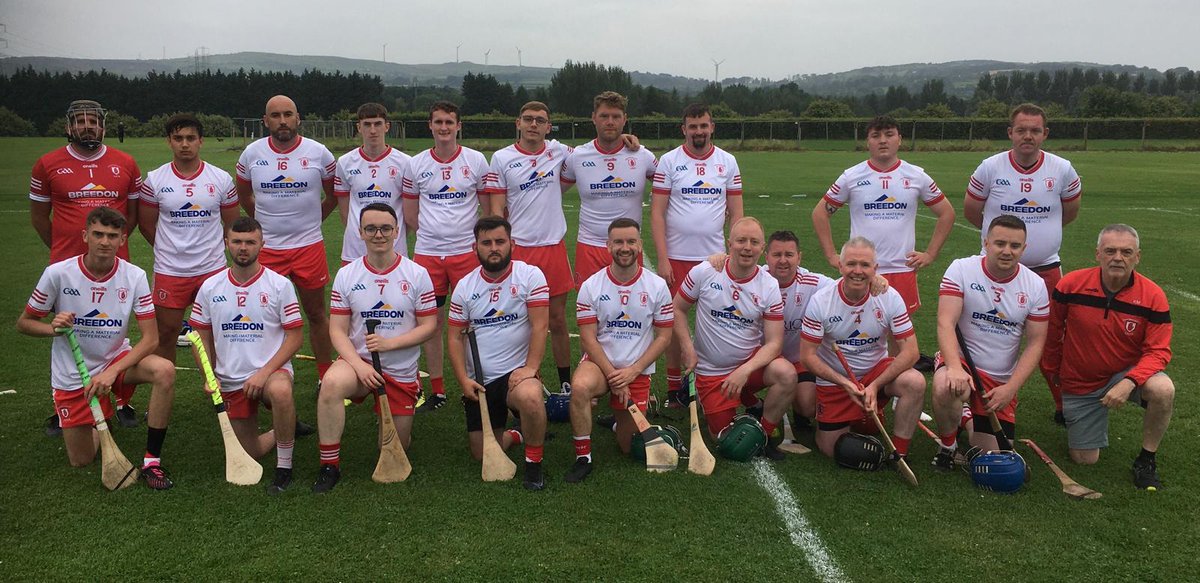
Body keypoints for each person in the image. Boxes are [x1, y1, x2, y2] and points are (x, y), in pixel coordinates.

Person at [18, 207, 177, 489]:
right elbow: (25, 323)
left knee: (164, 370)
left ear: (122, 239)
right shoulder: (58, 274)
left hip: (117, 361)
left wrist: (111, 372)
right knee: (81, 459)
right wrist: (52, 328)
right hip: (73, 373)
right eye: (98, 234)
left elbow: (151, 339)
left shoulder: (134, 276)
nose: (105, 241)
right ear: (85, 236)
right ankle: (97, 418)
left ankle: (152, 461)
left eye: (112, 236)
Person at [964, 103, 1082, 423]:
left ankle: (1063, 405)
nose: (1027, 136)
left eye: (1034, 130)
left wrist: (1043, 238)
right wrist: (1000, 246)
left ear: (1045, 133)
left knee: (1051, 341)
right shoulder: (990, 167)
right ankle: (971, 400)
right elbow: (972, 211)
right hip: (994, 273)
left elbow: (1069, 212)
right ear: (1010, 133)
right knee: (985, 332)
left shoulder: (1062, 169)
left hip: (1045, 270)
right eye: (1021, 130)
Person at [30, 99, 142, 435]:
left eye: (92, 121)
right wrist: (65, 253)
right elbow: (39, 218)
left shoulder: (126, 162)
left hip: (114, 266)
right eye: (80, 122)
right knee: (68, 335)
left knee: (114, 334)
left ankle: (119, 399)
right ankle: (66, 403)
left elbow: (132, 216)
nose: (87, 127)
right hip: (67, 267)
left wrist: (110, 248)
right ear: (68, 126)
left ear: (103, 126)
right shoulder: (47, 164)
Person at [312, 203, 437, 493]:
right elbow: (337, 330)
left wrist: (389, 343)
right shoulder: (348, 275)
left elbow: (429, 326)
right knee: (330, 383)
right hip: (359, 364)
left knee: (398, 445)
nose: (378, 234)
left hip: (400, 367)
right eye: (370, 229)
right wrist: (359, 365)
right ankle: (329, 465)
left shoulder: (417, 274)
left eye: (385, 228)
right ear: (360, 233)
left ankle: (406, 403)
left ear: (396, 231)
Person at [811, 115, 955, 369]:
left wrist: (930, 254)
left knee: (901, 336)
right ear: (868, 141)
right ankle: (866, 379)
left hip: (901, 269)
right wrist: (832, 255)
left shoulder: (916, 176)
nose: (883, 140)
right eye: (876, 135)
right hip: (861, 270)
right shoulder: (852, 176)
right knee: (863, 329)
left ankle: (902, 392)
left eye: (889, 134)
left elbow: (947, 213)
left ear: (899, 139)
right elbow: (820, 212)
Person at [1040, 224, 1174, 490]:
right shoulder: (1071, 285)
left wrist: (1130, 382)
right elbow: (1052, 332)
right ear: (1097, 254)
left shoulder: (1153, 295)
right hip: (1082, 380)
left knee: (1163, 389)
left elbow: (1158, 351)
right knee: (1084, 460)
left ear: (1137, 257)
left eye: (1126, 252)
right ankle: (1084, 416)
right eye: (1110, 250)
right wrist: (1053, 369)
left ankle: (1146, 459)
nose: (1118, 258)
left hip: (1126, 373)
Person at [189, 217, 303, 494]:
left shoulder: (279, 285)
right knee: (250, 452)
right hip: (230, 381)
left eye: (250, 242)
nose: (243, 248)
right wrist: (209, 376)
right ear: (226, 243)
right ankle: (284, 428)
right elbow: (198, 335)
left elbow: (296, 336)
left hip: (269, 374)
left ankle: (284, 467)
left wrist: (263, 373)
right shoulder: (210, 287)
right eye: (237, 241)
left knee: (281, 391)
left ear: (261, 244)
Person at [929, 215, 1049, 468]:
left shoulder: (1036, 286)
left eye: (1015, 246)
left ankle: (967, 417)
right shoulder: (961, 269)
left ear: (1024, 248)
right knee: (947, 386)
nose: (1007, 251)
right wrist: (953, 366)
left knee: (994, 456)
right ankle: (948, 447)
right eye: (1000, 243)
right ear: (986, 243)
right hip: (962, 364)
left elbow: (1036, 343)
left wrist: (1010, 388)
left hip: (999, 379)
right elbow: (945, 322)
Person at [236, 95, 337, 389]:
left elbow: (332, 196)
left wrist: (311, 222)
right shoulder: (252, 154)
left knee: (316, 313)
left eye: (288, 114)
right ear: (265, 121)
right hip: (268, 250)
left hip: (308, 247)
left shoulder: (319, 153)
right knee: (265, 317)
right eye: (276, 115)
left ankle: (324, 375)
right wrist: (264, 226)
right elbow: (244, 196)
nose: (283, 121)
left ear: (298, 118)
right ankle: (264, 375)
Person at [672, 217, 793, 459]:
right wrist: (687, 348)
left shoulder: (768, 285)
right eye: (741, 240)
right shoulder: (705, 271)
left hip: (748, 365)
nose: (747, 247)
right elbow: (677, 309)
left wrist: (745, 370)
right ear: (729, 244)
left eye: (754, 242)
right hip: (711, 371)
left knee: (786, 374)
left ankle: (765, 434)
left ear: (762, 249)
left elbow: (774, 343)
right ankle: (746, 403)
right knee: (727, 441)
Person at [565, 218, 673, 482]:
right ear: (608, 246)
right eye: (618, 242)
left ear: (639, 244)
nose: (625, 248)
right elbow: (588, 339)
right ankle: (583, 457)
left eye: (631, 241)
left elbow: (664, 337)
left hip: (636, 370)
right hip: (601, 365)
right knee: (579, 387)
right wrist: (614, 375)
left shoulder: (657, 286)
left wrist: (633, 371)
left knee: (628, 447)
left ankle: (615, 421)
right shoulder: (591, 285)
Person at [447, 216, 551, 490]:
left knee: (529, 396)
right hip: (480, 380)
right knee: (481, 453)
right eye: (486, 243)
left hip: (516, 374)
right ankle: (517, 434)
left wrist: (530, 368)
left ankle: (533, 464)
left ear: (512, 244)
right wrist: (463, 380)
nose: (494, 248)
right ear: (475, 248)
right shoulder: (465, 287)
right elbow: (454, 338)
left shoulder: (530, 276)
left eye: (500, 242)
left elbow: (540, 325)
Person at [799, 237, 925, 461]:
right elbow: (807, 356)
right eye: (851, 264)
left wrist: (875, 386)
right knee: (830, 449)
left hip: (876, 376)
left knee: (915, 382)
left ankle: (899, 453)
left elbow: (911, 352)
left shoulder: (889, 297)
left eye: (865, 265)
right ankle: (860, 419)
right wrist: (845, 383)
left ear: (875, 269)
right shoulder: (821, 301)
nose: (858, 271)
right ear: (840, 266)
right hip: (837, 382)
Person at [651, 103, 744, 407]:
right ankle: (675, 389)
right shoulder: (669, 161)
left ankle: (712, 384)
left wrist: (734, 253)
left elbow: (737, 214)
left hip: (715, 260)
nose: (699, 131)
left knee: (716, 323)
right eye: (693, 126)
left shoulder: (728, 162)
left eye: (703, 126)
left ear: (712, 127)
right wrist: (663, 259)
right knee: (672, 324)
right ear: (684, 129)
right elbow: (657, 214)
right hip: (677, 257)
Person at [402, 100, 491, 413]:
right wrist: (434, 236)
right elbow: (410, 213)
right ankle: (438, 391)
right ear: (430, 125)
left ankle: (474, 383)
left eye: (449, 122)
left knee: (471, 321)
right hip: (428, 255)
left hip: (466, 254)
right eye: (438, 122)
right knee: (431, 323)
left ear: (458, 126)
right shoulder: (416, 164)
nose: (443, 128)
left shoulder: (476, 160)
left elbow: (488, 206)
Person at [483, 101, 578, 394]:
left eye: (540, 120)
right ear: (518, 123)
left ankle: (566, 382)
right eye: (528, 119)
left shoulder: (559, 151)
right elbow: (497, 209)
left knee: (557, 319)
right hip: (520, 250)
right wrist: (499, 247)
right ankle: (524, 379)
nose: (534, 124)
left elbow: (593, 154)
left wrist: (628, 141)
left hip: (552, 247)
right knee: (520, 321)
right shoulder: (501, 158)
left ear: (548, 127)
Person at [138, 113, 239, 363]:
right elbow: (146, 225)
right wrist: (169, 249)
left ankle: (220, 387)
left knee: (216, 332)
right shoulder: (155, 180)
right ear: (169, 142)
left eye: (190, 138)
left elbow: (233, 225)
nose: (185, 144)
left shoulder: (221, 179)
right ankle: (166, 387)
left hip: (212, 269)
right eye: (178, 138)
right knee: (167, 332)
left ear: (201, 141)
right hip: (170, 271)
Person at [561, 91, 658, 286]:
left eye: (616, 116)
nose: (610, 122)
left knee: (630, 310)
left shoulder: (643, 156)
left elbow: (670, 187)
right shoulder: (578, 156)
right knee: (589, 309)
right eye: (604, 116)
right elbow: (552, 191)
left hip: (628, 246)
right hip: (590, 246)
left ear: (625, 120)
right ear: (593, 118)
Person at [335, 102, 412, 264]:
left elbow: (409, 212)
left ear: (387, 126)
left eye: (377, 124)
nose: (372, 130)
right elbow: (344, 213)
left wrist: (393, 233)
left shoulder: (406, 163)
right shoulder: (345, 162)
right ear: (359, 127)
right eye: (367, 125)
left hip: (394, 249)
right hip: (355, 250)